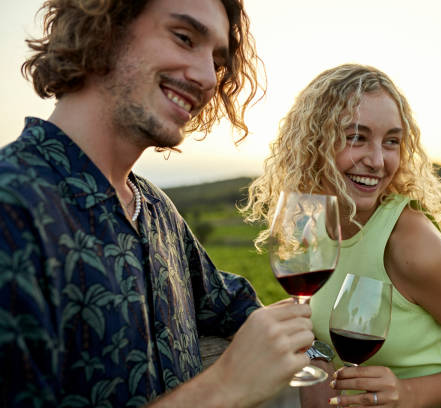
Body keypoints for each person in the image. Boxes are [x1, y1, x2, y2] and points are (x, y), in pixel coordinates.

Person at [0, 1, 314, 407]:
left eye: (217, 64)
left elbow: (230, 302)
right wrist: (223, 387)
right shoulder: (13, 206)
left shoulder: (157, 211)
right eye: (185, 38)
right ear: (104, 27)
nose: (206, 78)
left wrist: (320, 351)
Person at [241, 64, 441, 407]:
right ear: (315, 143)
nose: (377, 160)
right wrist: (315, 351)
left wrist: (406, 393)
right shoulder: (310, 223)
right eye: (356, 137)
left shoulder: (409, 239)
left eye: (391, 141)